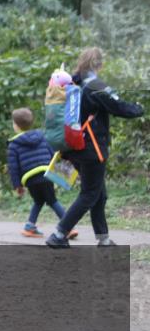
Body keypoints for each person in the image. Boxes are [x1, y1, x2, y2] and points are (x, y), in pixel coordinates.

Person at [46, 47, 144, 249]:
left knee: (99, 194)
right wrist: (139, 109)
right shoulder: (96, 86)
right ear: (100, 64)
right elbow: (119, 107)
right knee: (90, 194)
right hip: (91, 149)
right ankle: (58, 234)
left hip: (73, 147)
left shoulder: (71, 82)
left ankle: (103, 239)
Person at [6, 108, 75, 239]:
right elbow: (52, 153)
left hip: (30, 179)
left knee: (39, 200)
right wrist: (59, 171)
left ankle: (30, 227)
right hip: (45, 174)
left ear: (15, 125)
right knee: (52, 200)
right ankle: (68, 227)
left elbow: (13, 168)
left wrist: (17, 186)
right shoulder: (42, 136)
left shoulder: (13, 144)